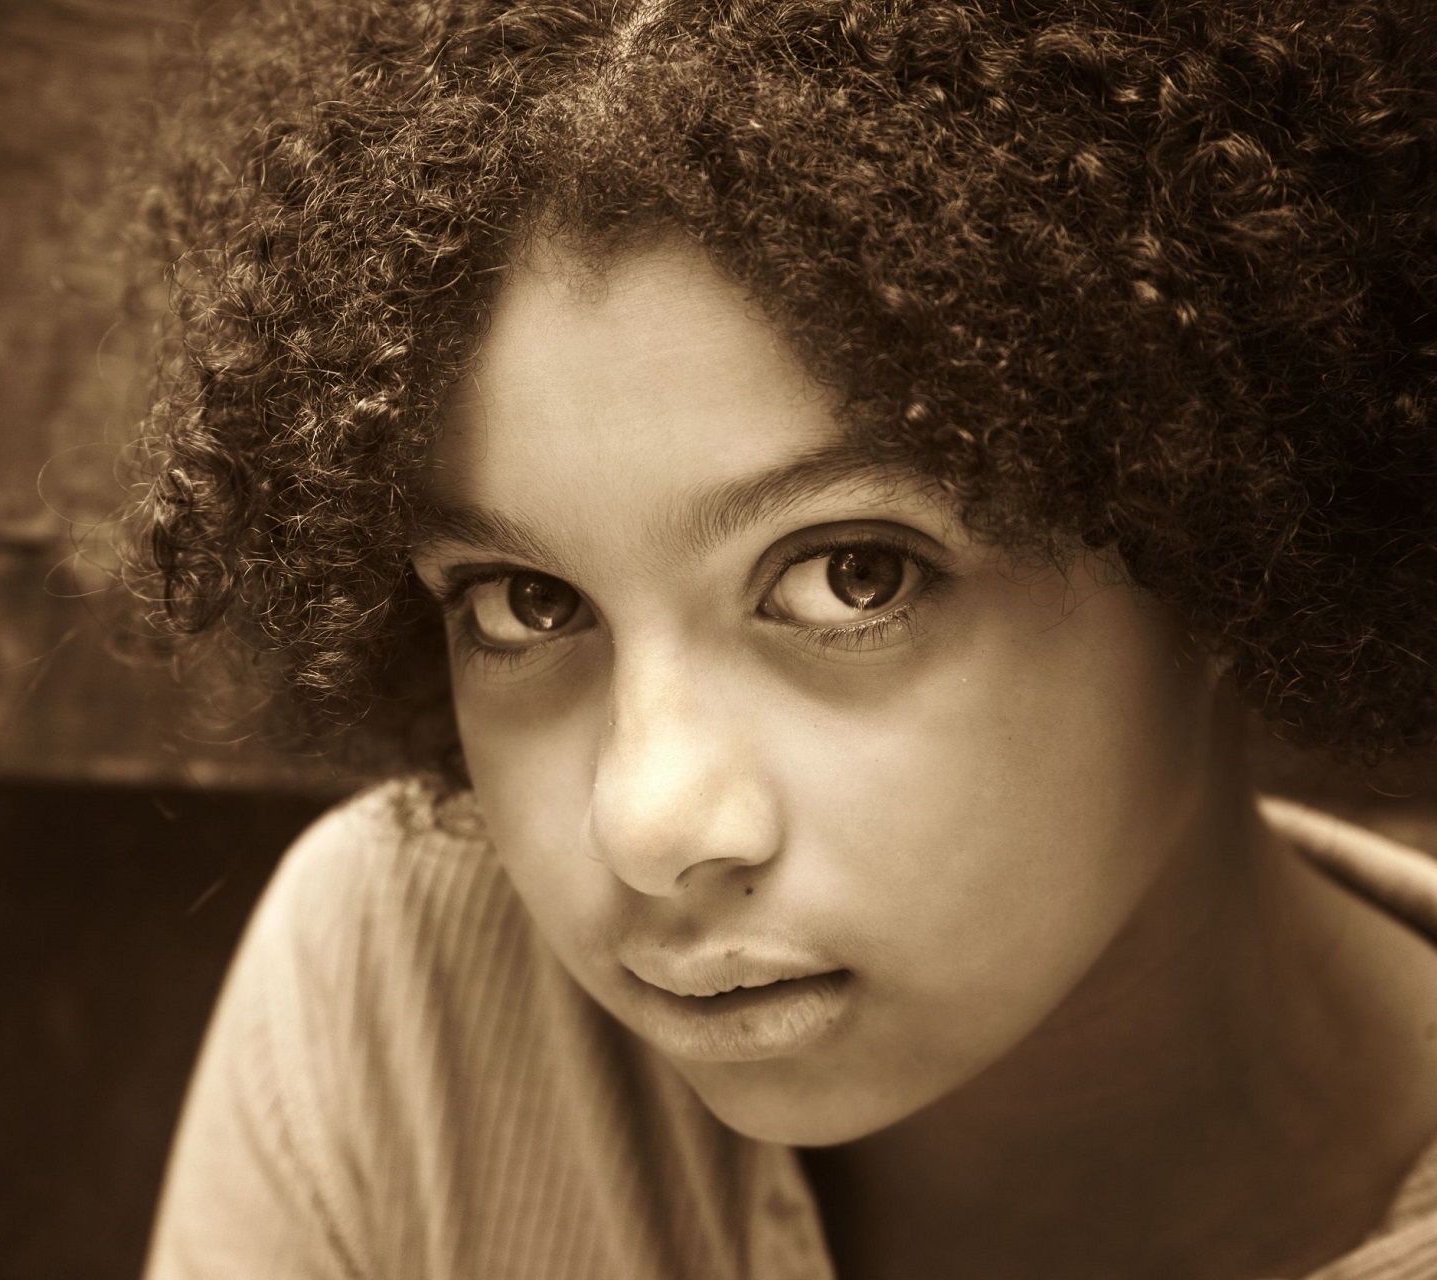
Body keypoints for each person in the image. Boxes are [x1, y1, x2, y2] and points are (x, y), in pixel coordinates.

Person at [125, 0, 1437, 1275]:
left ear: (1214, 521)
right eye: (525, 604)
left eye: (850, 578)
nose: (648, 824)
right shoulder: (400, 999)